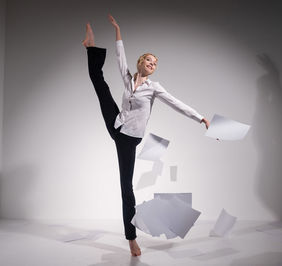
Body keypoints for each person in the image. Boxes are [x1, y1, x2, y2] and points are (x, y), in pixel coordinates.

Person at [82, 14, 210, 256]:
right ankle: (90, 46)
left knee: (126, 187)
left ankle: (131, 238)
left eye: (155, 63)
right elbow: (121, 58)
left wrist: (201, 118)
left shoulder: (155, 88)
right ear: (141, 62)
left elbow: (177, 104)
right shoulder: (129, 80)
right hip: (116, 123)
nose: (152, 64)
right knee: (100, 84)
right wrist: (118, 29)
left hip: (129, 139)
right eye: (149, 60)